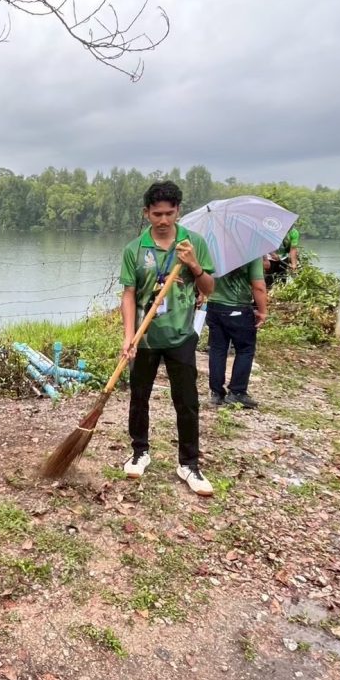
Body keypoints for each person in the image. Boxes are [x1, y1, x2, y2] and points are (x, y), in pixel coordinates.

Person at [120, 181, 216, 496]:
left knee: (187, 402)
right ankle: (139, 452)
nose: (163, 220)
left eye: (169, 213)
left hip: (181, 336)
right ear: (146, 213)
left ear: (178, 211)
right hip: (145, 338)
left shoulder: (193, 243)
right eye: (157, 214)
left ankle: (189, 464)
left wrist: (194, 266)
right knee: (139, 397)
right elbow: (129, 294)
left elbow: (209, 288)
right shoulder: (135, 249)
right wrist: (129, 336)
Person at [206, 259, 267, 409]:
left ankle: (216, 393)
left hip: (214, 305)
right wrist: (262, 311)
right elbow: (258, 286)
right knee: (245, 349)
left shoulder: (215, 250)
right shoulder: (251, 253)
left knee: (217, 349)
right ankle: (237, 392)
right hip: (238, 307)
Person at [265, 224, 300, 288]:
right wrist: (272, 253)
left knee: (282, 281)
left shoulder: (294, 233)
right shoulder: (273, 228)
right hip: (269, 258)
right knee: (268, 281)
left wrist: (294, 264)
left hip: (283, 258)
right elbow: (265, 242)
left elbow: (293, 249)